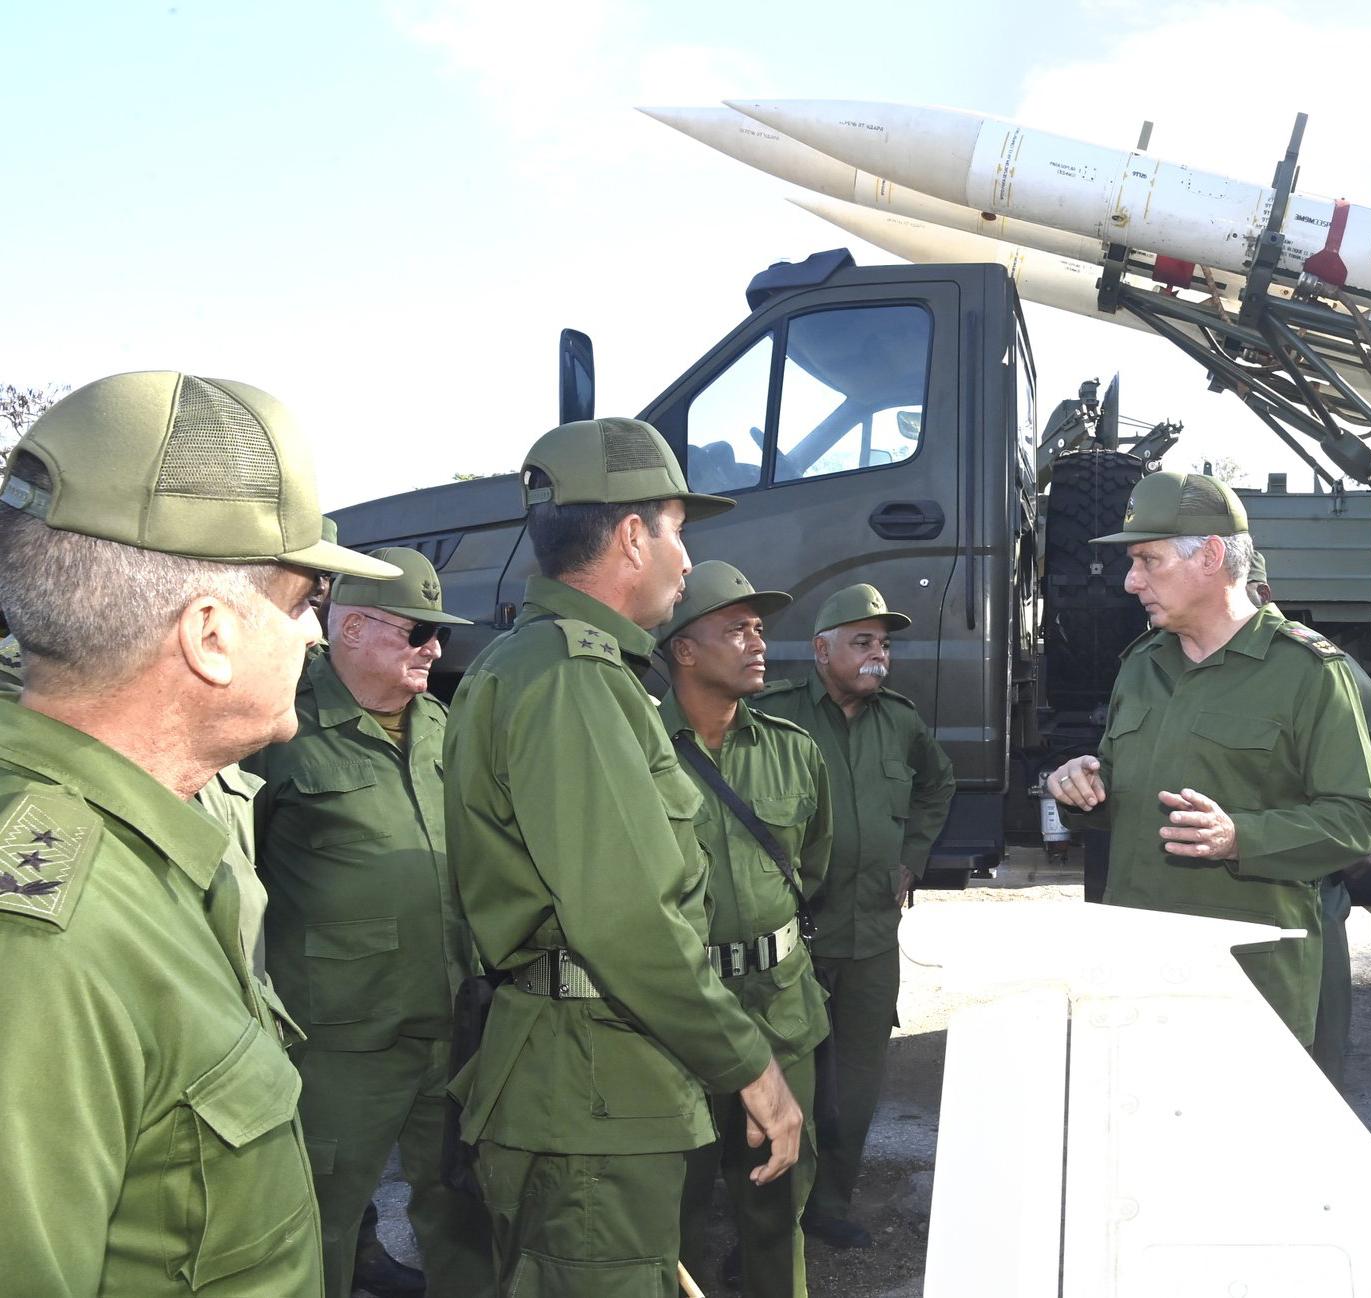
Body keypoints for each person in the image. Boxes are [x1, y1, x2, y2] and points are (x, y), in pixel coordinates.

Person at [0, 371, 398, 1295]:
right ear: (210, 635)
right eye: (302, 603)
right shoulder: (43, 946)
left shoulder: (146, 845)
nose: (312, 638)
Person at [443, 417, 802, 1291]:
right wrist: (751, 1066)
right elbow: (631, 919)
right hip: (590, 1093)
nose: (687, 561)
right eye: (679, 530)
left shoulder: (543, 666)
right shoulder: (573, 680)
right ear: (634, 536)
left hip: (585, 1080)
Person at [1046, 472, 1371, 1048]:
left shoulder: (1307, 672)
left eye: (1147, 561)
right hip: (1136, 974)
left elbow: (1358, 823)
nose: (1130, 582)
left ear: (1209, 556)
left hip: (1248, 986)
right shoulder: (1141, 666)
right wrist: (1079, 789)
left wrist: (1240, 838)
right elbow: (1120, 797)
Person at [246, 547, 492, 1298]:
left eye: (438, 635)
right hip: (342, 1040)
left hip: (450, 1024)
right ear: (349, 628)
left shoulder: (445, 729)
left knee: (458, 1204)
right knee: (316, 1215)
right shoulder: (278, 728)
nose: (435, 650)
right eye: (417, 634)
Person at [756, 582, 954, 1249]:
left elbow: (938, 783)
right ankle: (773, 1224)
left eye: (886, 645)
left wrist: (912, 858)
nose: (879, 657)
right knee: (788, 1083)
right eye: (863, 642)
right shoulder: (774, 717)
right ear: (822, 650)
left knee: (859, 1083)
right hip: (798, 937)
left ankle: (830, 1202)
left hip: (872, 936)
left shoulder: (900, 721)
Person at [659, 560, 834, 1297]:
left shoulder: (794, 749)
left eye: (760, 629)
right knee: (678, 1214)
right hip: (680, 1020)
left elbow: (813, 867)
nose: (757, 642)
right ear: (684, 651)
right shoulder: (639, 751)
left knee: (776, 1211)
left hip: (781, 1011)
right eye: (735, 629)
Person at [1245, 551, 1371, 1086]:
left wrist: (1364, 833)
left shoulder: (1310, 663)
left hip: (1303, 885)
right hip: (1212, 895)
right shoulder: (1169, 659)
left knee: (1314, 1066)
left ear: (1263, 595)